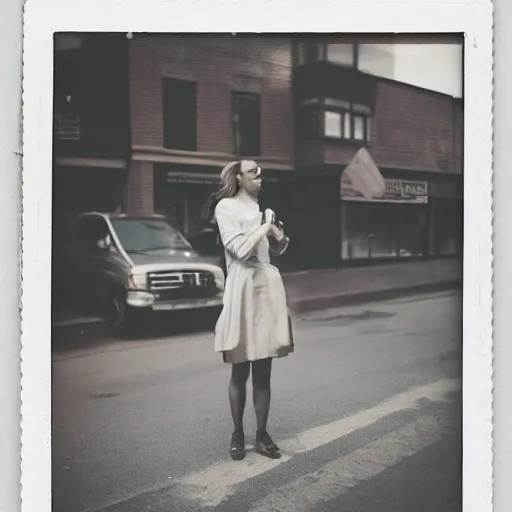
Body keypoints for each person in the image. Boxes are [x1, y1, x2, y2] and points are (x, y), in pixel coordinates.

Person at [209, 160, 294, 461]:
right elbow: (242, 251)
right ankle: (237, 433)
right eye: (253, 173)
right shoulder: (226, 208)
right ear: (238, 177)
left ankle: (261, 433)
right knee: (240, 367)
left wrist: (279, 237)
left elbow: (271, 251)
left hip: (266, 290)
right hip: (243, 290)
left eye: (261, 173)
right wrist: (264, 226)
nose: (260, 177)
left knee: (264, 369)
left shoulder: (261, 209)